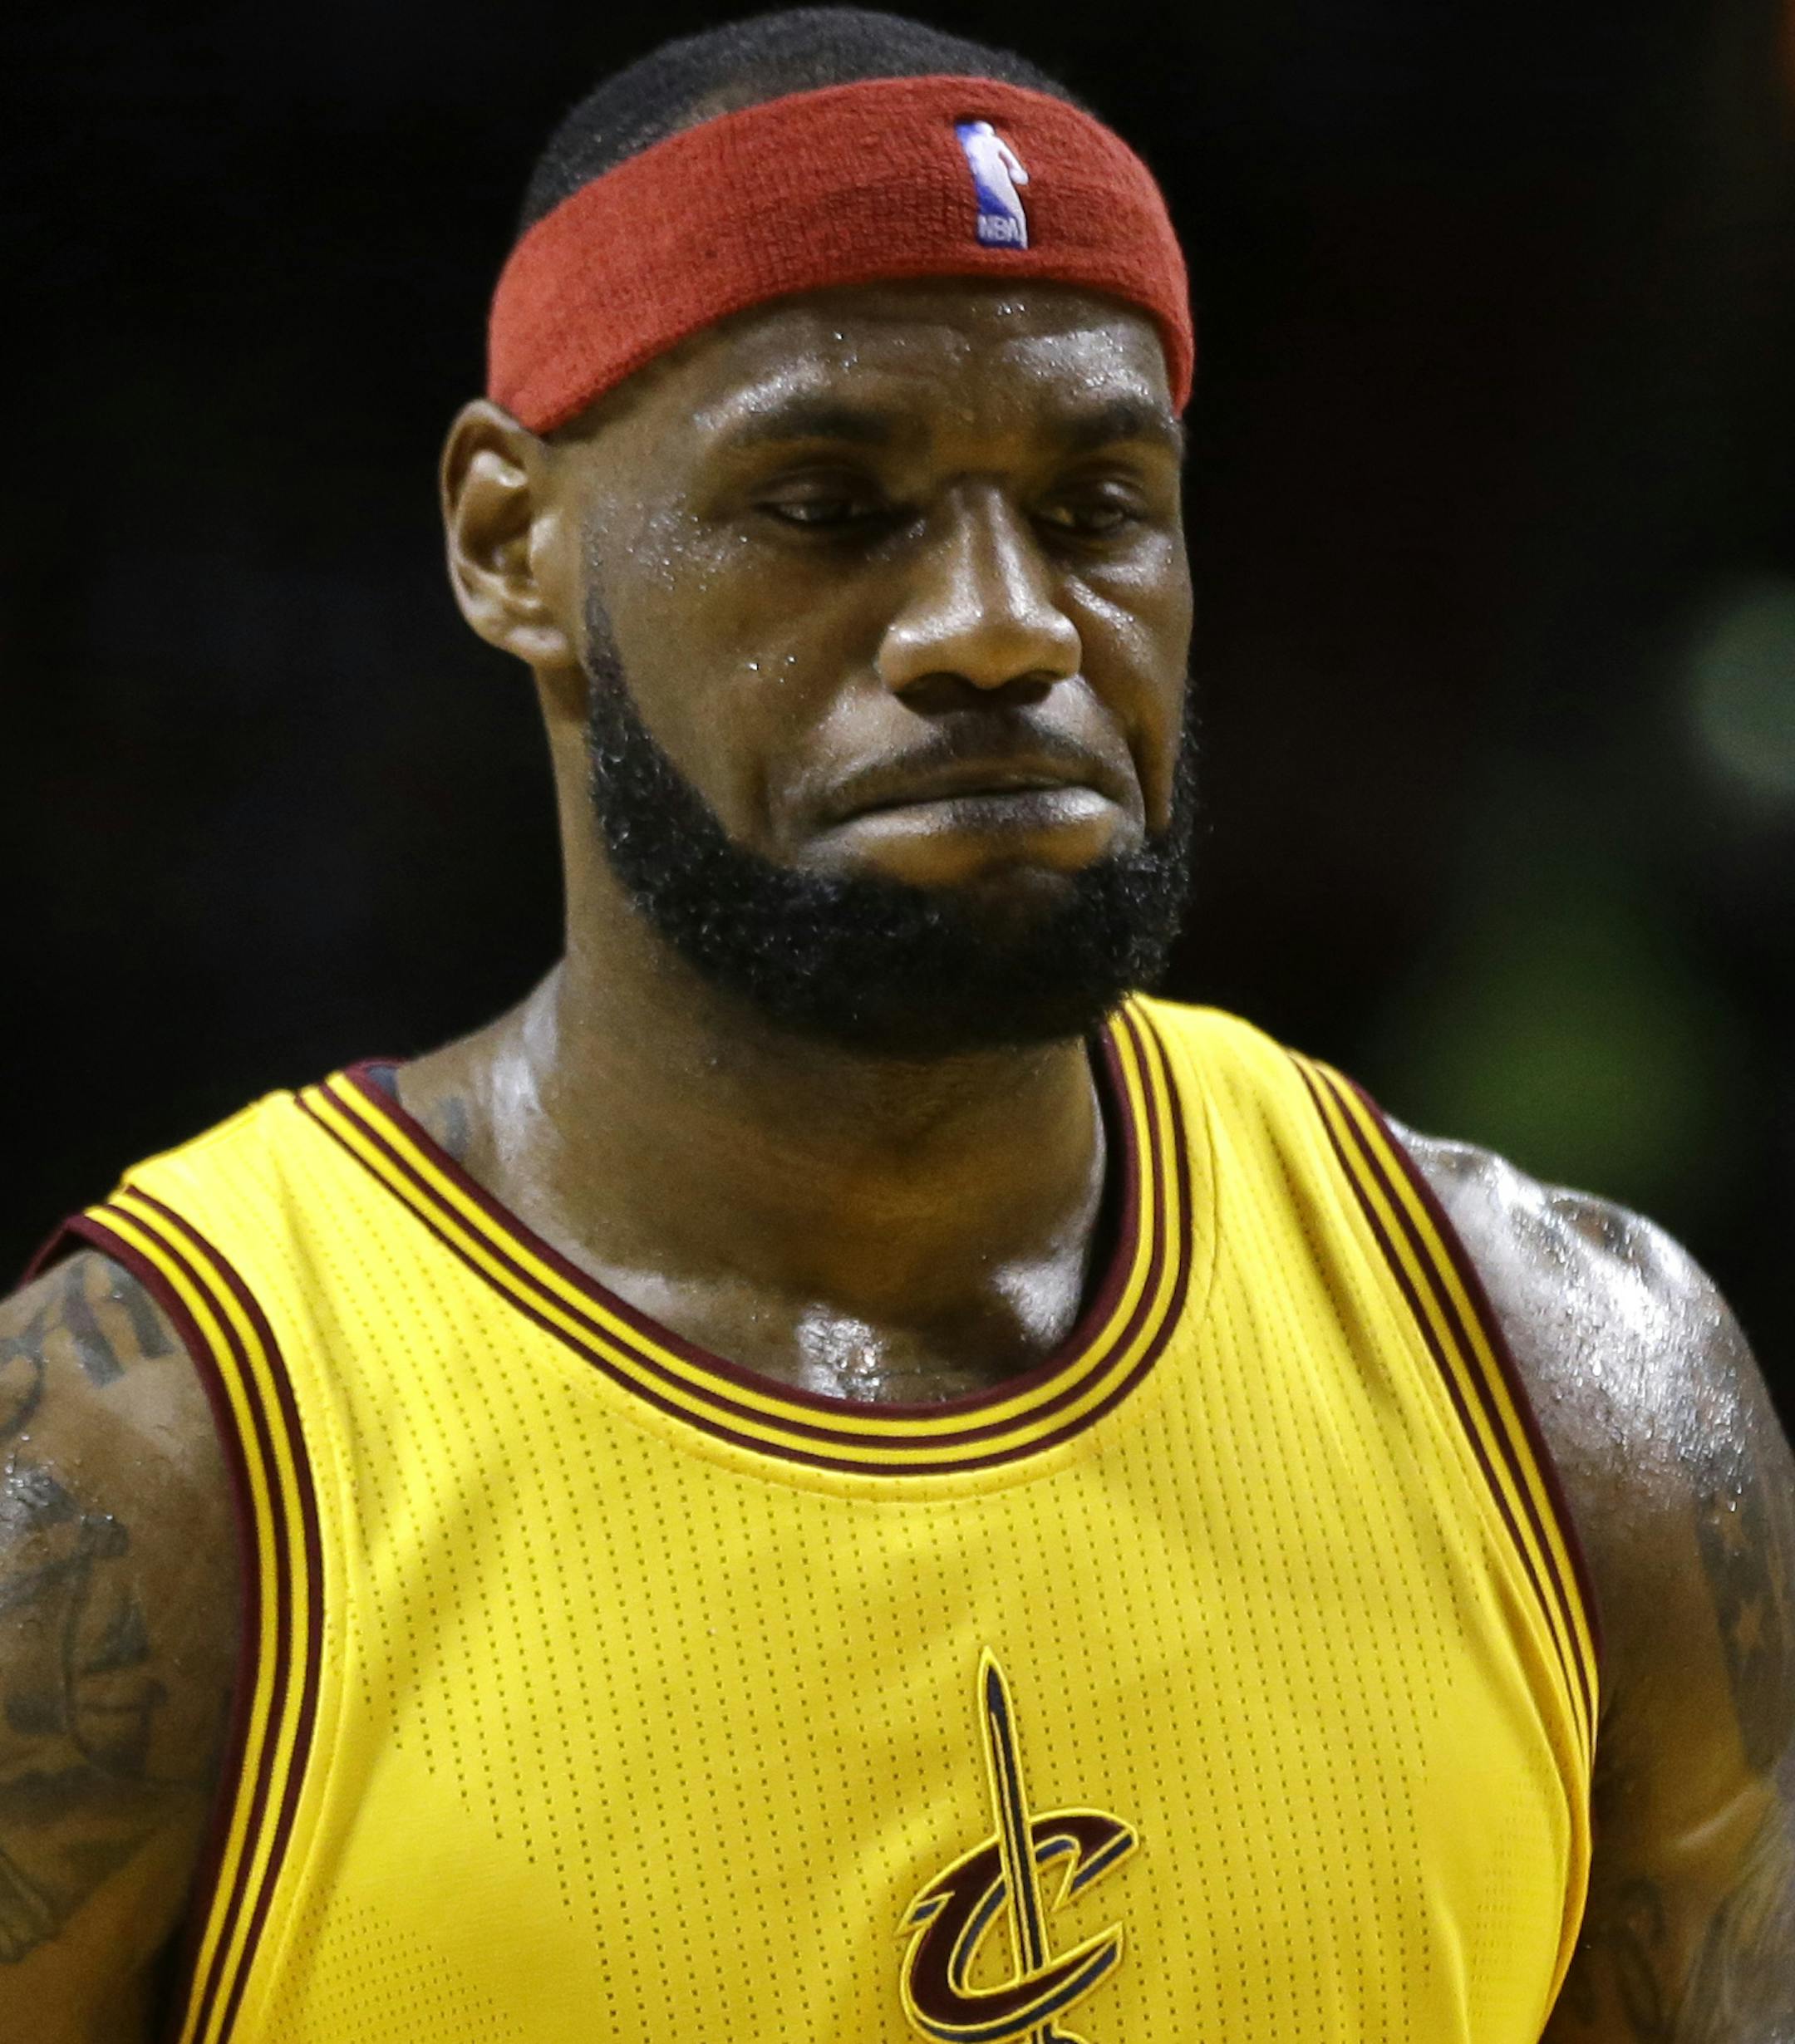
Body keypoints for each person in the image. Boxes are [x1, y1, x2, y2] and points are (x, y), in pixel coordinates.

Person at [4, 10, 1791, 2042]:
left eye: (1101, 501)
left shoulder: (1581, 1394)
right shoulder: (155, 1460)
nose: (1004, 626)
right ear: (512, 541)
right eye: (828, 504)